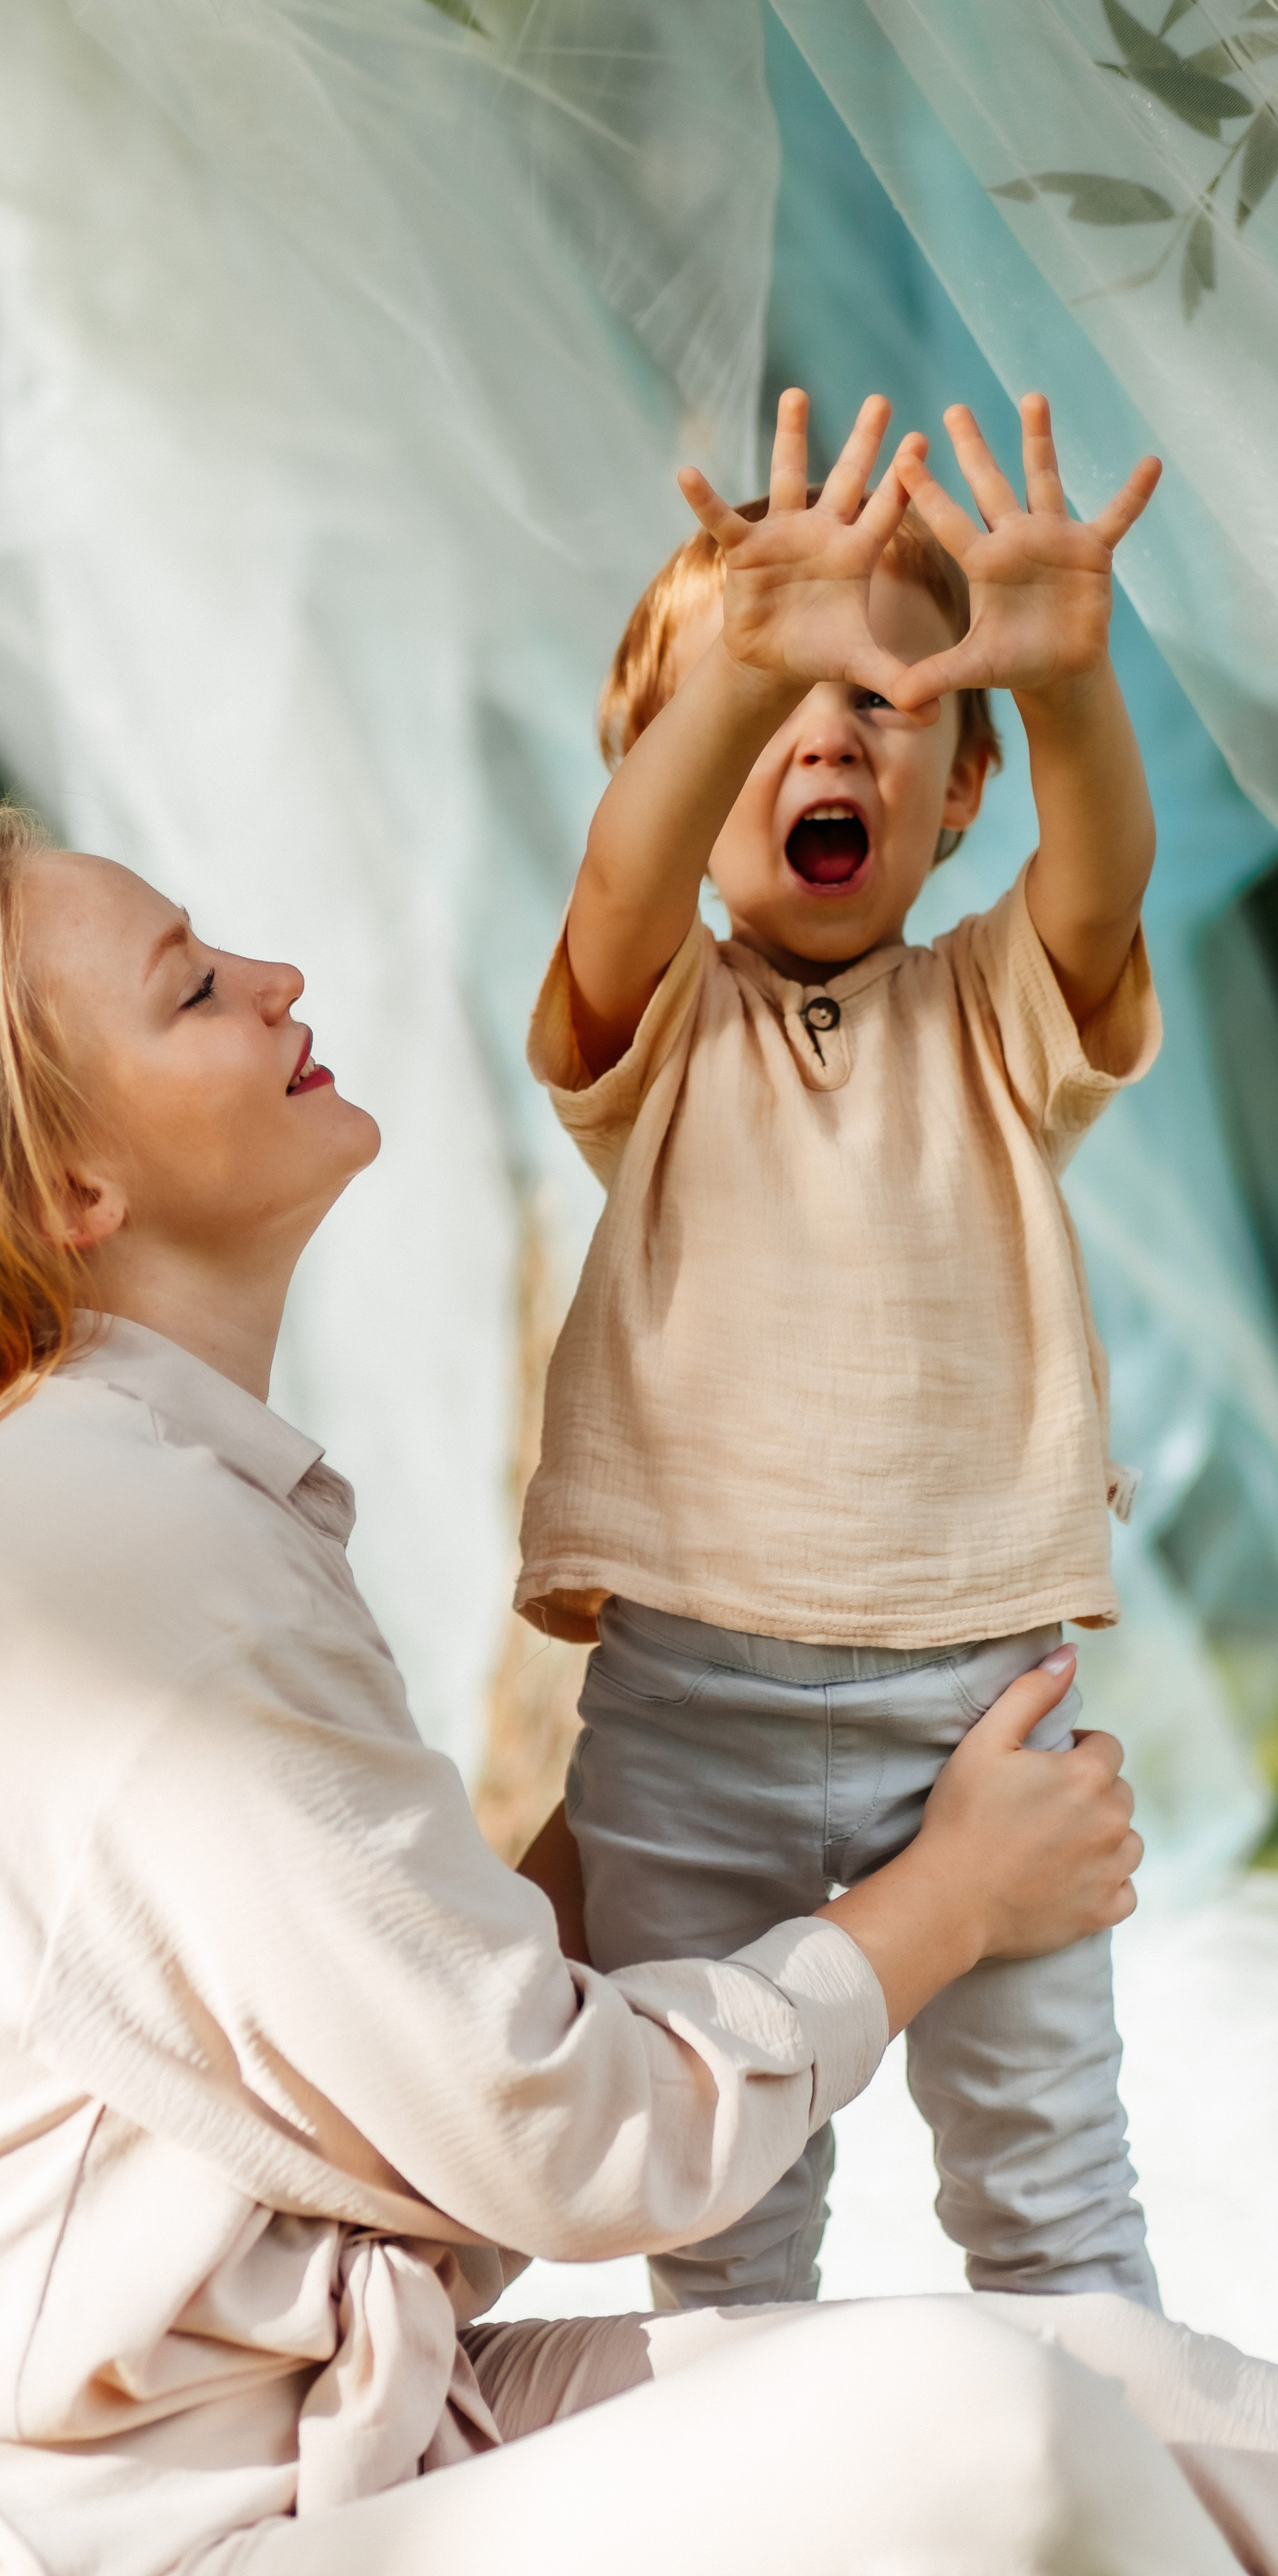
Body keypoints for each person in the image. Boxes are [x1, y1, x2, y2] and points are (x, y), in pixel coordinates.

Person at [0, 803, 1278, 2576]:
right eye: (193, 984)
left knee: (1103, 2374)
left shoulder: (147, 1495)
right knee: (973, 2450)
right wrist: (939, 1904)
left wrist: (721, 1699)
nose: (274, 981)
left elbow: (411, 2027)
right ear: (68, 1185)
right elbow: (564, 2136)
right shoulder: (109, 1563)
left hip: (298, 2482)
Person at [517, 387, 1164, 2312]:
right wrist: (747, 658)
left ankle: (1145, 2549)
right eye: (763, 699)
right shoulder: (657, 1030)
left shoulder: (996, 1013)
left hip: (979, 1702)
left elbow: (1102, 883)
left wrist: (1060, 687)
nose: (826, 726)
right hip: (689, 1711)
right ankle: (769, 2552)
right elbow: (621, 891)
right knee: (722, 2219)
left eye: (885, 699)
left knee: (1053, 2195)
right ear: (671, 764)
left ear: (958, 790)